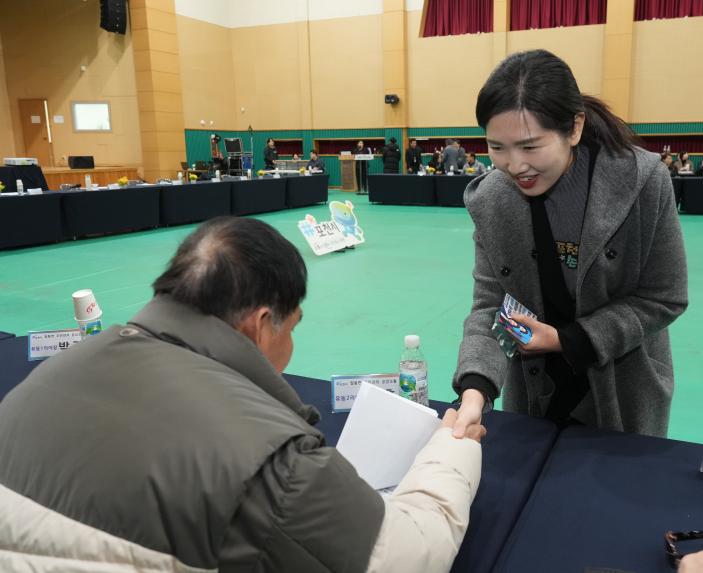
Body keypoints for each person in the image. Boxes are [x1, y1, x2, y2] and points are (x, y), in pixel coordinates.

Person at [0, 217, 486, 572]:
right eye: (291, 328)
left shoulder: (50, 374)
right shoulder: (270, 461)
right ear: (260, 326)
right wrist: (453, 449)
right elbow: (408, 556)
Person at [452, 49, 688, 438]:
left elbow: (664, 297)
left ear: (574, 128)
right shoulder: (491, 199)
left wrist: (567, 340)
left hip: (622, 389)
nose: (514, 165)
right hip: (535, 389)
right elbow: (490, 307)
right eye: (496, 147)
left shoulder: (643, 181)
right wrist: (474, 394)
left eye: (530, 147)